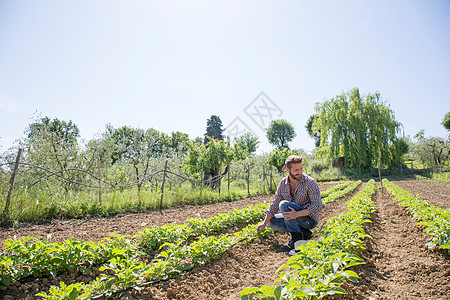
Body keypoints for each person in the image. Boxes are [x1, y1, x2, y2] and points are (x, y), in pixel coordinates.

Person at [257, 155, 322, 253]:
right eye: (296, 170)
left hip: (309, 220)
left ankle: (296, 237)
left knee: (284, 205)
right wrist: (264, 223)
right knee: (271, 221)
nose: (299, 172)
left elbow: (317, 206)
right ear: (288, 169)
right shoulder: (283, 184)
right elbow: (274, 204)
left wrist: (297, 214)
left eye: (301, 169)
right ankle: (303, 233)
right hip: (294, 218)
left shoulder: (310, 182)